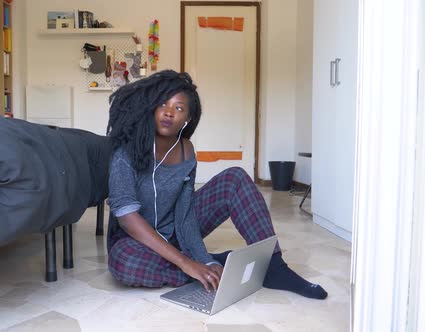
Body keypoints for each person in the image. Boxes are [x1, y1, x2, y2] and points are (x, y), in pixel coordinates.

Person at [105, 70, 327, 300]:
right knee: (125, 262)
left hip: (176, 235)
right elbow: (127, 218)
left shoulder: (186, 150)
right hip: (135, 241)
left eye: (179, 108)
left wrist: (203, 258)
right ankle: (216, 268)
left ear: (188, 118)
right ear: (151, 107)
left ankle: (273, 266)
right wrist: (188, 263)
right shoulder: (126, 152)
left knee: (234, 178)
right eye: (162, 103)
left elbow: (185, 213)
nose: (169, 112)